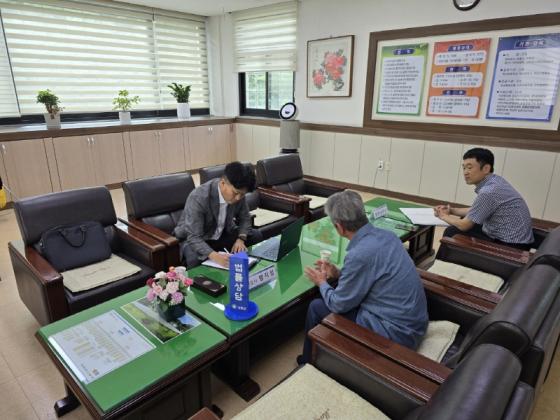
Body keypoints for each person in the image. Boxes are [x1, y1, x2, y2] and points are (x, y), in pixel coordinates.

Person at [298, 190, 428, 365]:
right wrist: (338, 274)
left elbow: (338, 304)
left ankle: (307, 362)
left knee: (316, 307)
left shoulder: (359, 254)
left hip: (396, 334)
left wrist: (321, 282)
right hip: (413, 323)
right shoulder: (388, 236)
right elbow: (372, 276)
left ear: (339, 227)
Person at [434, 148, 533, 250]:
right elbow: (477, 210)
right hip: (518, 241)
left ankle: (441, 263)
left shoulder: (488, 191)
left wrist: (442, 216)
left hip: (510, 247)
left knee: (451, 232)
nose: (465, 172)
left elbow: (465, 225)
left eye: (469, 167)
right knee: (464, 224)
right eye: (464, 168)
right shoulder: (496, 181)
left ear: (486, 168)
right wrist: (452, 210)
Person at [173, 161, 263, 268]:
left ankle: (250, 270)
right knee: (194, 258)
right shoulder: (199, 197)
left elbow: (245, 217)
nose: (238, 198)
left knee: (256, 235)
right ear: (223, 183)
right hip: (198, 238)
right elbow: (194, 237)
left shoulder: (239, 195)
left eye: (242, 194)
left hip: (222, 233)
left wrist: (241, 239)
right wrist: (214, 256)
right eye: (235, 193)